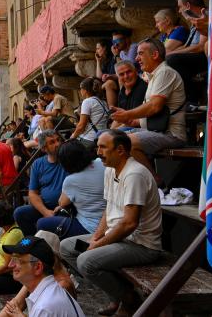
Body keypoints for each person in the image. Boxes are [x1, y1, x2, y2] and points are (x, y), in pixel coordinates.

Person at [60, 130, 166, 317]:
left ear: (120, 150)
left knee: (86, 261)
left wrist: (98, 244)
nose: (98, 152)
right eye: (98, 146)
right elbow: (108, 209)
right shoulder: (110, 169)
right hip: (119, 238)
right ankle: (117, 294)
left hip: (141, 245)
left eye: (103, 147)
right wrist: (96, 237)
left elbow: (129, 224)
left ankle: (128, 298)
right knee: (66, 247)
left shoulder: (134, 174)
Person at [109, 39, 187, 168]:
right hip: (154, 130)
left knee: (127, 142)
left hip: (171, 134)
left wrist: (127, 114)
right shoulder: (154, 76)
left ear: (155, 55)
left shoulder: (164, 72)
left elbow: (154, 106)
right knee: (109, 137)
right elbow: (150, 116)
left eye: (140, 53)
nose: (136, 58)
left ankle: (155, 182)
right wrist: (130, 121)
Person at [35, 139, 106, 240]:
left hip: (89, 227)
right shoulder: (101, 163)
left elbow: (62, 203)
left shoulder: (71, 180)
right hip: (107, 220)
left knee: (42, 223)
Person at [0, 235, 84, 317]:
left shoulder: (45, 307)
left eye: (17, 260)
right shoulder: (48, 291)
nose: (10, 265)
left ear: (38, 267)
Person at [14, 132, 66, 236]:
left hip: (64, 207)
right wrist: (45, 212)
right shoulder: (38, 164)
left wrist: (61, 206)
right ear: (43, 148)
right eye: (52, 142)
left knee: (42, 223)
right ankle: (32, 242)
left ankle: (39, 244)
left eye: (58, 140)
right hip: (45, 206)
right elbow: (33, 193)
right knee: (19, 213)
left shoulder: (68, 159)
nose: (57, 144)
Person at [70, 77, 111, 146]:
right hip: (103, 136)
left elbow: (81, 126)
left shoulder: (87, 101)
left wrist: (73, 136)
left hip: (90, 139)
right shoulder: (103, 101)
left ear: (85, 90)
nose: (80, 91)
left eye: (81, 89)